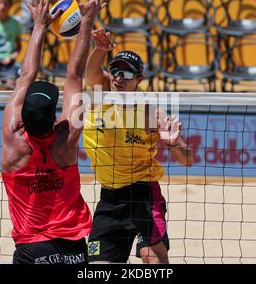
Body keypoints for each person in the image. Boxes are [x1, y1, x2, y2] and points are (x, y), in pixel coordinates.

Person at [1, 0, 103, 264]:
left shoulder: (13, 143)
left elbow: (26, 76)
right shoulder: (67, 137)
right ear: (54, 119)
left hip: (32, 250)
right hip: (73, 248)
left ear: (23, 118)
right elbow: (74, 74)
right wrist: (86, 22)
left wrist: (39, 26)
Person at [83, 28, 194, 263]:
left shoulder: (150, 111)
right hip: (110, 198)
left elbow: (187, 160)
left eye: (126, 73)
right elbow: (91, 73)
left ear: (139, 80)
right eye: (115, 70)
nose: (119, 78)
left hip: (142, 193)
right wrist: (100, 49)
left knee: (153, 258)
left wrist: (173, 143)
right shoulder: (102, 92)